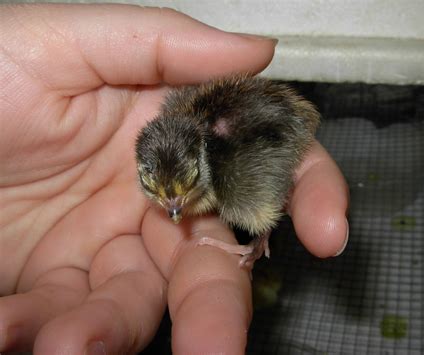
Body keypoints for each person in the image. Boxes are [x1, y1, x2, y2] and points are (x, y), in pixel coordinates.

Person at [0, 4, 349, 354]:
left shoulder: (224, 160)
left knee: (247, 205)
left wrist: (260, 232)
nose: (173, 210)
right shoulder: (179, 134)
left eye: (182, 193)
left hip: (255, 137)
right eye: (160, 194)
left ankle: (262, 230)